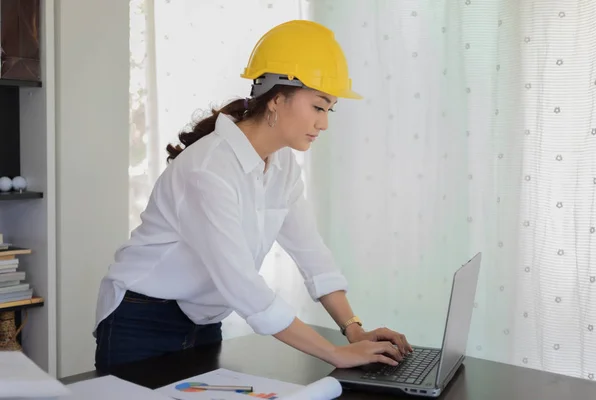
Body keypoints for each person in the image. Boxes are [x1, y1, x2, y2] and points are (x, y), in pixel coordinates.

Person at [94, 19, 412, 371]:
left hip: (203, 321)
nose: (324, 123)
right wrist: (334, 353)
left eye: (329, 109)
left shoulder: (282, 164)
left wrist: (353, 330)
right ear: (277, 100)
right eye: (319, 107)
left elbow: (312, 254)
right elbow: (242, 284)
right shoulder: (209, 169)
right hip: (142, 320)